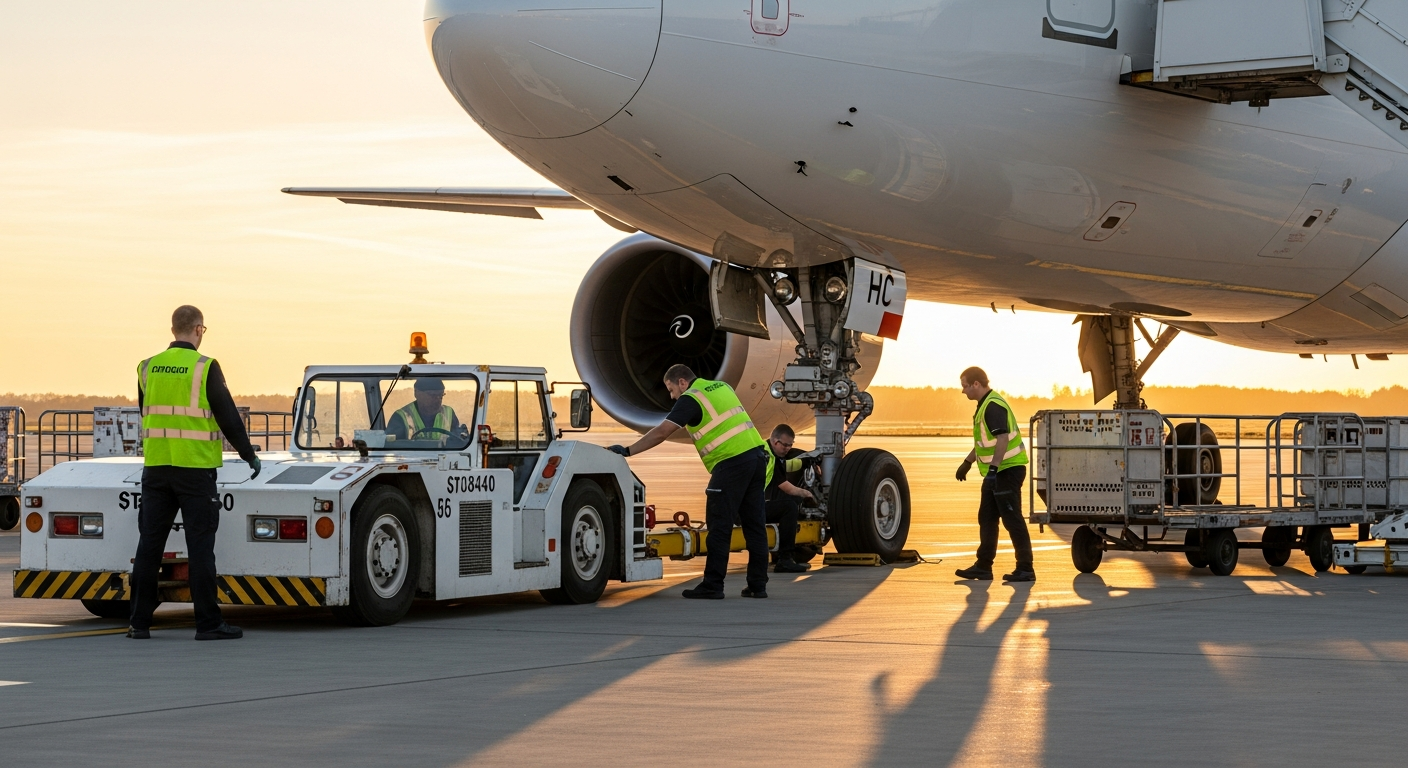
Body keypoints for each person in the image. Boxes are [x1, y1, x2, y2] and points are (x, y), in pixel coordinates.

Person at [129, 305, 260, 640]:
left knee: (149, 546)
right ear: (199, 330)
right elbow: (228, 415)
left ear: (174, 329)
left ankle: (138, 623)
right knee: (200, 546)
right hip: (195, 469)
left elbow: (147, 412)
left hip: (157, 468)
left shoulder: (147, 367)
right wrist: (248, 454)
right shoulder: (205, 368)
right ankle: (208, 624)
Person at [608, 364, 773, 599]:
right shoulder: (721, 387)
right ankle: (758, 585)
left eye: (671, 389)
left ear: (682, 382)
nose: (672, 396)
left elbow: (662, 432)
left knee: (719, 528)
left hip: (731, 464)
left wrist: (628, 450)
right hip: (757, 458)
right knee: (755, 527)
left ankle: (713, 585)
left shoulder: (691, 398)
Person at [954, 366, 1034, 583]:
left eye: (965, 386)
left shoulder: (992, 406)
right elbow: (983, 442)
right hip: (997, 472)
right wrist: (967, 462)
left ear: (976, 384)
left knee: (1012, 518)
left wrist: (993, 469)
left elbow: (1003, 439)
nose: (963, 391)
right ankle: (983, 566)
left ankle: (1025, 567)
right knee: (987, 518)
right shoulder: (984, 405)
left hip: (1007, 470)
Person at [764, 424, 818, 573]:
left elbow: (785, 467)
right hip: (747, 509)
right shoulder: (768, 457)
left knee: (790, 502)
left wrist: (805, 461)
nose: (788, 449)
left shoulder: (768, 452)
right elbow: (785, 486)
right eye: (785, 445)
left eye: (790, 445)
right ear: (775, 441)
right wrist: (806, 494)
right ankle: (785, 559)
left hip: (747, 505)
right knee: (789, 507)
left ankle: (778, 555)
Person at [387, 378, 461, 442]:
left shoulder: (449, 413)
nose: (438, 400)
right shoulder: (401, 417)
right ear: (416, 393)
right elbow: (391, 447)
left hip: (443, 458)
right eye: (432, 395)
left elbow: (459, 441)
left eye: (441, 396)